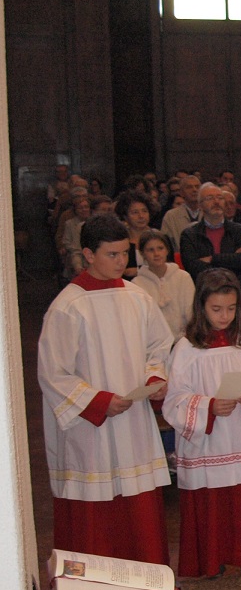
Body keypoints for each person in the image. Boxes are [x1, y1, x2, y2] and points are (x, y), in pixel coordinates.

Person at [37, 214, 174, 564]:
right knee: (96, 518)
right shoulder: (68, 306)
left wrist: (155, 379)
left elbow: (158, 346)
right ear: (88, 254)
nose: (121, 261)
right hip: (91, 428)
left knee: (139, 510)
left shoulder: (137, 297)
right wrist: (97, 401)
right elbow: (53, 373)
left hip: (133, 424)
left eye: (124, 253)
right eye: (111, 255)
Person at [163, 268, 241, 578]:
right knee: (213, 503)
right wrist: (209, 407)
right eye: (216, 309)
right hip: (208, 443)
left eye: (230, 308)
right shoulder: (187, 348)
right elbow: (173, 401)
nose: (224, 316)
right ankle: (211, 561)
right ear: (201, 307)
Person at [180, 181, 241, 283]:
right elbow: (193, 267)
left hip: (236, 287)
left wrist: (213, 258)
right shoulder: (189, 235)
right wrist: (232, 259)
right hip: (205, 289)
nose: (216, 202)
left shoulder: (239, 230)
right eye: (210, 198)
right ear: (200, 205)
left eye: (220, 198)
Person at [134, 229, 195, 339]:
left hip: (183, 341)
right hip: (153, 344)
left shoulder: (183, 277)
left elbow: (192, 314)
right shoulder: (137, 284)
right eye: (150, 250)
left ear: (167, 250)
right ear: (143, 254)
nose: (156, 254)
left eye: (160, 248)